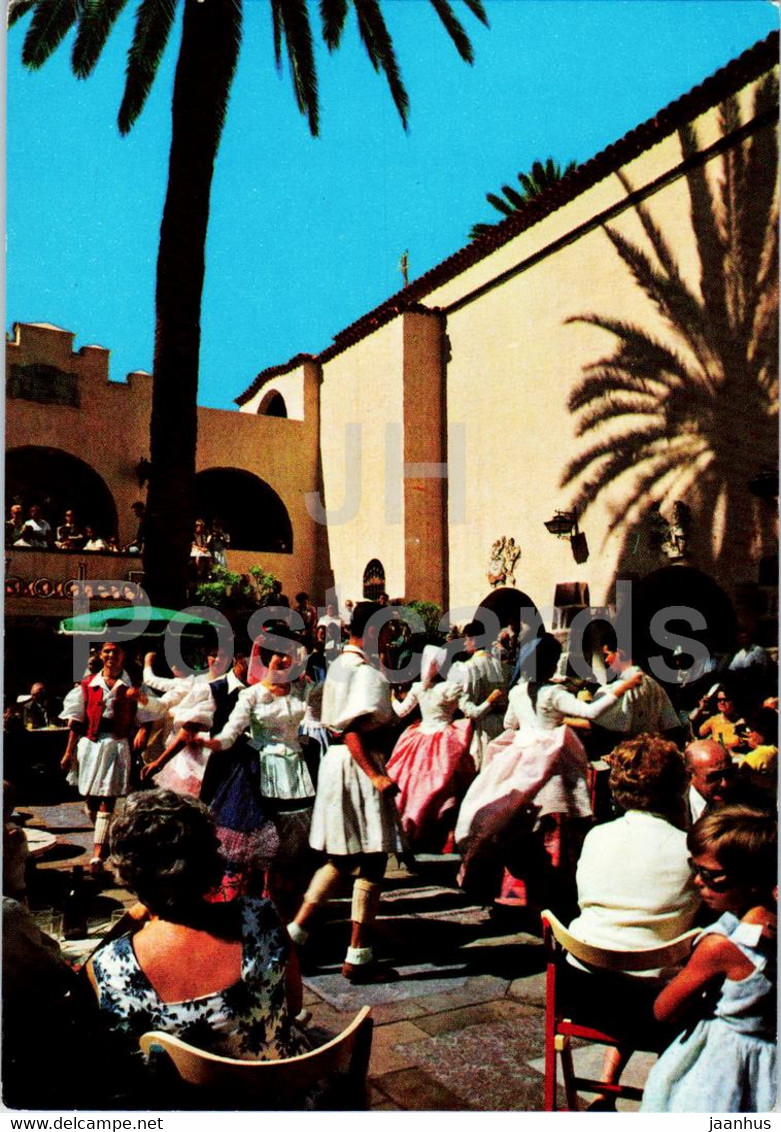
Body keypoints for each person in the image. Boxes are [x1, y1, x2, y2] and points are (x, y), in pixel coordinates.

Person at [87, 791, 306, 1062]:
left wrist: (131, 920)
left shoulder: (110, 966)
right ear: (211, 860)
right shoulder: (261, 919)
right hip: (283, 1090)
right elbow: (294, 1005)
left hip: (183, 1100)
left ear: (128, 871)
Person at [455, 633, 642, 911]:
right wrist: (622, 687)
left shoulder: (519, 691)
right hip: (552, 768)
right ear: (551, 662)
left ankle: (518, 892)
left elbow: (510, 722)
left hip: (520, 765)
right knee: (554, 831)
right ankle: (555, 895)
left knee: (520, 827)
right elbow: (590, 712)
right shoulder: (553, 693)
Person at [562, 734, 700, 1110]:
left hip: (582, 991)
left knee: (631, 949)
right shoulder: (689, 849)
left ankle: (606, 1088)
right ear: (678, 786)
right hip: (653, 1006)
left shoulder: (597, 837)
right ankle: (671, 1092)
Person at [288, 601, 403, 984]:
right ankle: (358, 953)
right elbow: (353, 729)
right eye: (387, 631)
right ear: (371, 632)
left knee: (340, 858)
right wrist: (376, 776)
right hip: (359, 763)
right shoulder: (368, 675)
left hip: (338, 764)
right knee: (372, 858)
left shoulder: (338, 665)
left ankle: (296, 934)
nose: (391, 639)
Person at [641, 806, 777, 1112]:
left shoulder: (720, 948)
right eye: (694, 868)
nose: (698, 882)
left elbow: (664, 1010)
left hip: (721, 1064)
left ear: (753, 880)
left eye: (712, 875)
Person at [200, 631, 314, 918]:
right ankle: (255, 907)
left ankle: (287, 907)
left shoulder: (305, 691)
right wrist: (211, 743)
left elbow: (318, 721)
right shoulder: (251, 695)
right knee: (259, 842)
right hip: (258, 772)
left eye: (289, 655)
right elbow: (229, 734)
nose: (284, 660)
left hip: (297, 772)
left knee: (293, 844)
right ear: (266, 659)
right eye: (278, 654)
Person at [386, 644, 494, 851]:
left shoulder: (419, 688)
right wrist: (490, 700)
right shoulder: (450, 688)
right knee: (449, 786)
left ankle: (415, 830)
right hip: (445, 741)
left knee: (415, 785)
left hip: (419, 739)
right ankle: (447, 835)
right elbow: (474, 712)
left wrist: (392, 699)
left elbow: (401, 712)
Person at [59, 642, 149, 873]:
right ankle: (105, 836)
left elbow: (147, 715)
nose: (111, 655)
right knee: (90, 797)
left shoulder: (132, 686)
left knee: (107, 797)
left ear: (123, 656)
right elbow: (76, 721)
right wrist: (68, 752)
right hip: (90, 744)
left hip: (116, 743)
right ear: (101, 655)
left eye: (116, 651)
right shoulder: (89, 684)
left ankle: (98, 853)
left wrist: (142, 730)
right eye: (107, 651)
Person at [449, 620, 508, 768]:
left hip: (482, 728)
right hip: (501, 724)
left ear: (474, 640)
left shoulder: (470, 667)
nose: (464, 644)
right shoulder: (499, 664)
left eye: (466, 639)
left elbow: (468, 706)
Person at [684, 739, 739, 823]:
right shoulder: (672, 807)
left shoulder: (749, 803)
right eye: (714, 777)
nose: (724, 783)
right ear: (690, 775)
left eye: (728, 773)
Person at [696, 684, 748, 751]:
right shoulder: (714, 720)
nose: (722, 702)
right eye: (719, 700)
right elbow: (698, 734)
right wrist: (700, 709)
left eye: (726, 699)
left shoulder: (743, 721)